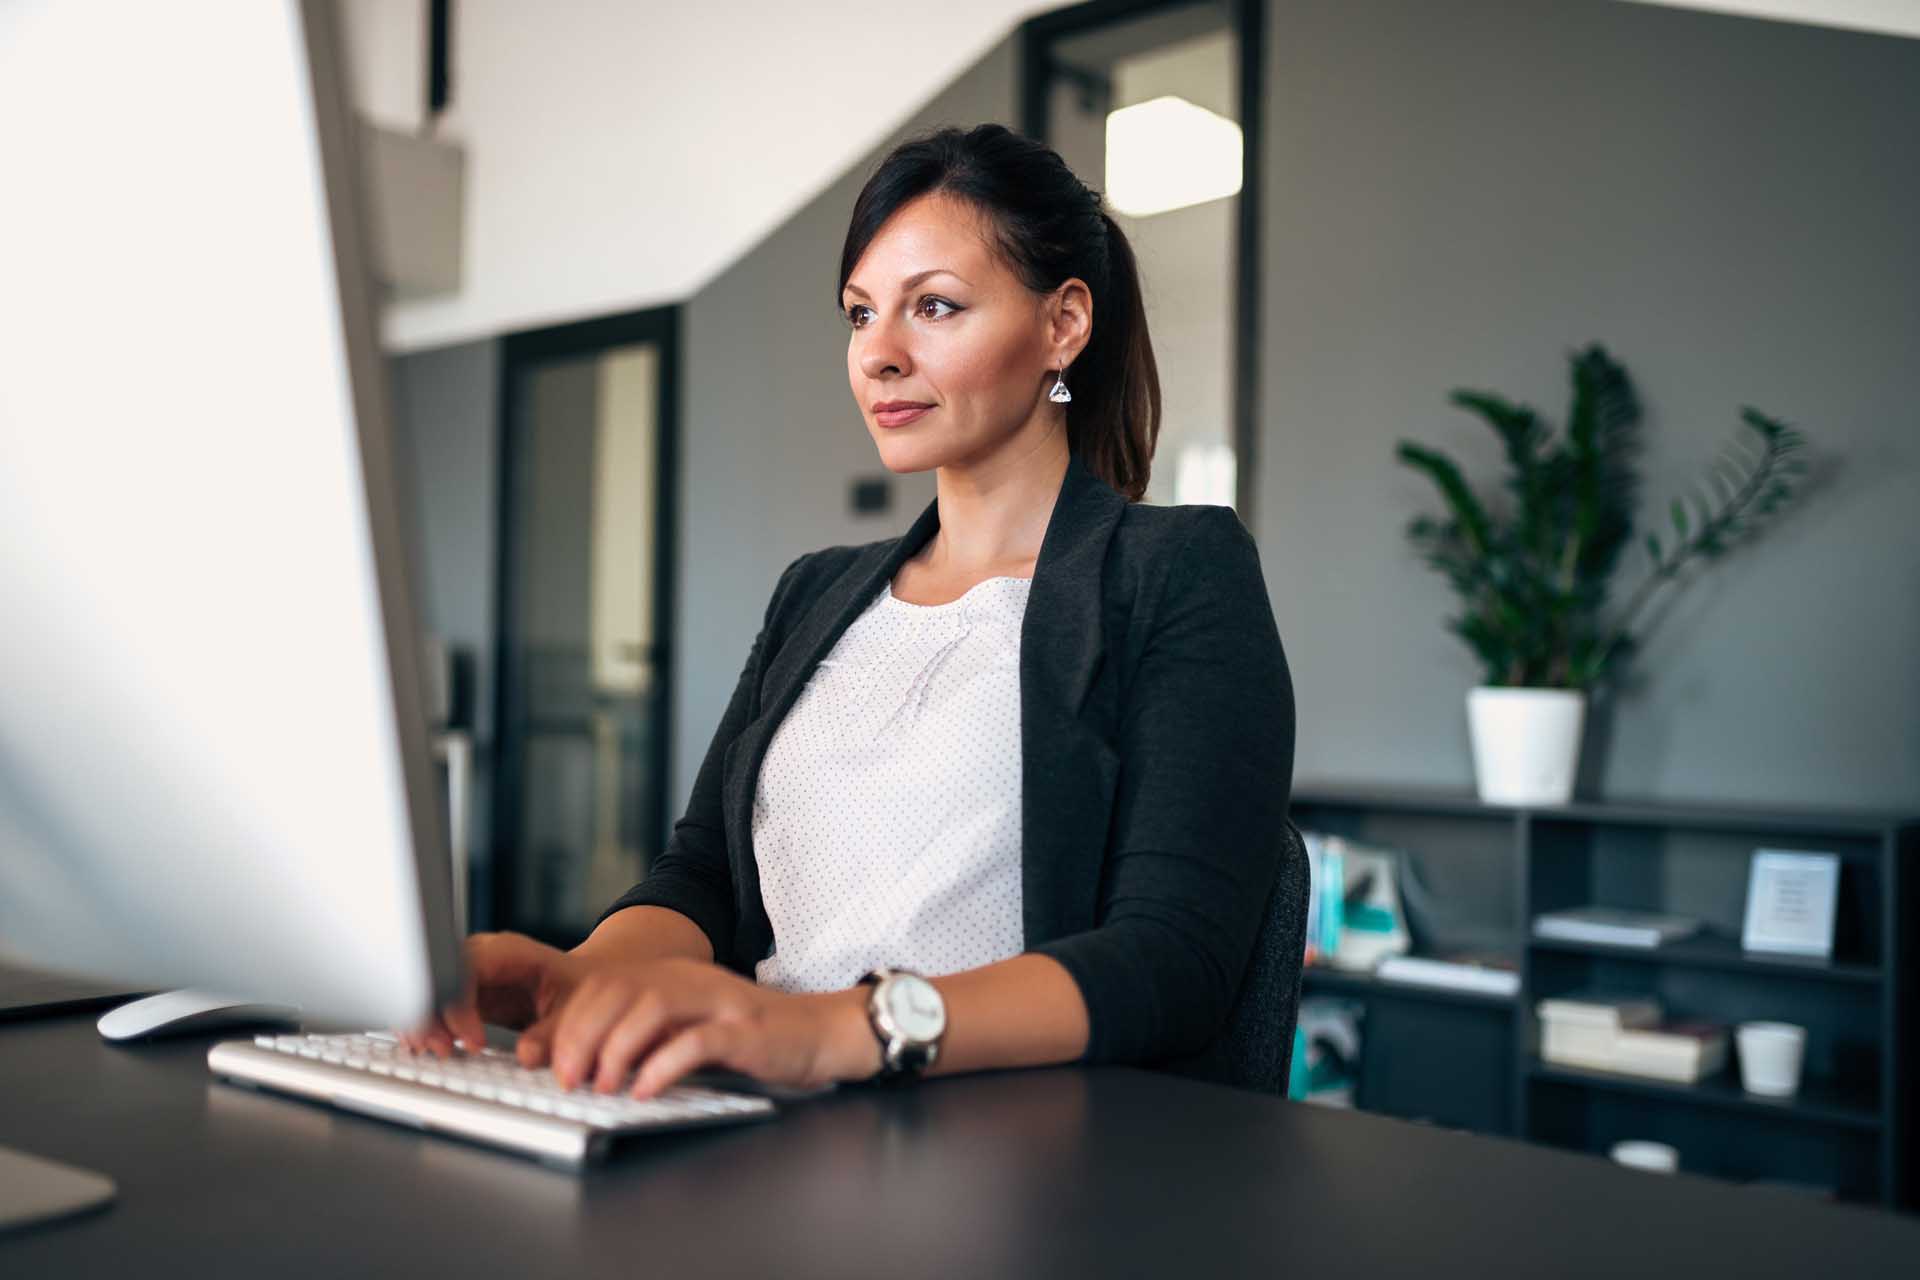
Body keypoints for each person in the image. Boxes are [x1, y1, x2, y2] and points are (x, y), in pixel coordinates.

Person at [405, 123, 1295, 1100]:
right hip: (763, 1113)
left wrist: (835, 1026)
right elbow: (701, 873)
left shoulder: (1176, 571)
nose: (878, 354)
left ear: (1063, 324)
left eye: (935, 307)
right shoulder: (817, 591)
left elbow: (1171, 961)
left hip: (1010, 1151)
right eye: (861, 314)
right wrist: (585, 970)